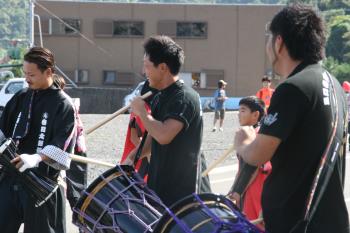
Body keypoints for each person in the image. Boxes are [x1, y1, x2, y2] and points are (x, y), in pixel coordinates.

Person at [234, 4, 349, 233]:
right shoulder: (332, 83)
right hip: (328, 217)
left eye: (269, 39)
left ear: (279, 42)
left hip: (298, 223)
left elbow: (258, 155)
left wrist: (243, 143)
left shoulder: (293, 88)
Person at [0, 47, 76, 233]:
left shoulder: (63, 104)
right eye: (25, 74)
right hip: (10, 178)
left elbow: (63, 143)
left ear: (48, 72)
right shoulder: (21, 97)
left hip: (42, 183)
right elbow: (3, 129)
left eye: (31, 74)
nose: (27, 79)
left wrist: (37, 157)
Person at [123, 35, 203, 206]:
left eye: (147, 66)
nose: (144, 72)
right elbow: (153, 137)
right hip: (158, 186)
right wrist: (132, 157)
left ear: (163, 68)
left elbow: (164, 135)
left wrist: (142, 113)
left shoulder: (184, 98)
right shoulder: (161, 96)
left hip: (180, 193)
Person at [228, 96, 271, 226]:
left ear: (255, 115)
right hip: (258, 187)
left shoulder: (251, 133)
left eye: (243, 110)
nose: (238, 114)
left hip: (254, 188)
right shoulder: (262, 133)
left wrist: (237, 191)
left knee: (252, 225)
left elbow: (252, 166)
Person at [120, 80, 156, 179]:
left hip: (144, 155)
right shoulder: (141, 110)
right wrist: (147, 153)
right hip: (137, 157)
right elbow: (134, 138)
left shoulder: (152, 109)